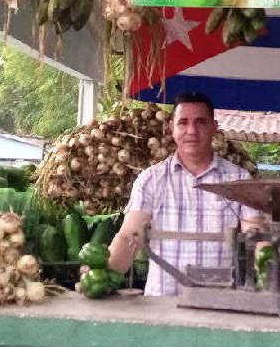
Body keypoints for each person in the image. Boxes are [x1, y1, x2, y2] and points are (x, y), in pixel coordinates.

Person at [107, 92, 265, 296]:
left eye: (201, 122)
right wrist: (104, 273)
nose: (192, 130)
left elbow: (256, 235)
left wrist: (269, 271)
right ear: (171, 128)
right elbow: (130, 236)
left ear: (214, 128)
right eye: (183, 122)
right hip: (162, 305)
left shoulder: (238, 179)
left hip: (219, 303)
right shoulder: (151, 180)